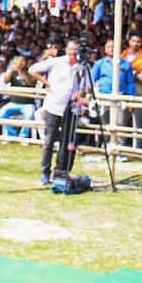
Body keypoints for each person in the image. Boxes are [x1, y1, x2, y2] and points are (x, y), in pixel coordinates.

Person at [30, 38, 90, 185]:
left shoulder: (82, 66)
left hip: (71, 108)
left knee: (67, 141)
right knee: (49, 140)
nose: (73, 53)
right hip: (54, 105)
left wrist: (80, 93)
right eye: (71, 49)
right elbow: (32, 69)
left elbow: (87, 86)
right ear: (66, 50)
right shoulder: (56, 62)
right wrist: (47, 83)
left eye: (76, 50)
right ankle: (45, 172)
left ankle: (61, 171)